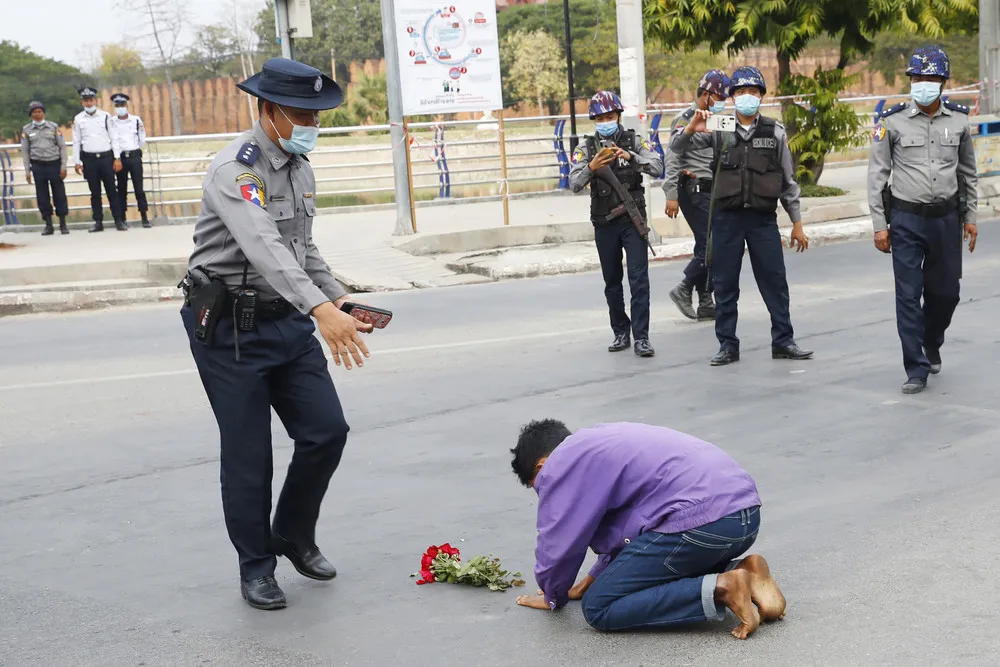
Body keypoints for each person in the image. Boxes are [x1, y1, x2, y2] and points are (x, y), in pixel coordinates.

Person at [179, 57, 379, 611]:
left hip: (285, 320)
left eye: (316, 113)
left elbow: (301, 248)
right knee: (249, 453)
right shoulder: (235, 171)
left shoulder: (300, 165)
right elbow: (263, 246)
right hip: (229, 330)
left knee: (326, 431)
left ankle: (291, 532)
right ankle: (256, 566)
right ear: (268, 110)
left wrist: (336, 296)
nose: (310, 123)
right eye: (300, 113)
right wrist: (320, 310)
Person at [510, 419, 785, 639]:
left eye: (540, 487)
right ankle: (743, 571)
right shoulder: (599, 441)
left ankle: (722, 587)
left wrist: (552, 595)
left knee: (598, 607)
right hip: (741, 517)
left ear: (542, 466)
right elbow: (625, 536)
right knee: (630, 579)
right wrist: (587, 581)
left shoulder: (561, 465)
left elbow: (558, 542)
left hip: (701, 524)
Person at [670, 66, 813, 366]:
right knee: (725, 284)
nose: (747, 96)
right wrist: (691, 127)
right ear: (732, 96)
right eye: (741, 92)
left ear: (761, 95)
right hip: (726, 217)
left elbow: (788, 182)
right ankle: (727, 345)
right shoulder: (719, 124)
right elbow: (676, 147)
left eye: (753, 91)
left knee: (775, 281)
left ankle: (783, 340)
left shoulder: (774, 131)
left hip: (762, 219)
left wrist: (797, 224)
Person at [867, 46, 978, 395]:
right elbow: (876, 176)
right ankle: (915, 366)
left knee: (947, 294)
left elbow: (968, 173)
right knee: (908, 295)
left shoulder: (959, 121)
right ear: (910, 81)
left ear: (942, 83)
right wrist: (879, 225)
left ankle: (932, 341)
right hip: (906, 219)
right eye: (918, 78)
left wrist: (971, 216)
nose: (924, 84)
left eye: (931, 78)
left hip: (946, 218)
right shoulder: (892, 121)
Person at [569, 91, 664, 358]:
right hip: (604, 222)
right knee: (612, 281)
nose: (605, 121)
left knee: (639, 280)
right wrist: (592, 166)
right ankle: (620, 330)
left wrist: (632, 156)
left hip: (632, 221)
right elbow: (574, 183)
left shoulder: (634, 140)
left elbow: (657, 166)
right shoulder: (585, 148)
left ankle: (642, 337)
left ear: (618, 116)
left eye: (609, 116)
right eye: (599, 118)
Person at [662, 70, 729, 321]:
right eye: (720, 96)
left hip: (713, 188)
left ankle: (705, 301)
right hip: (692, 188)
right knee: (711, 244)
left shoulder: (719, 121)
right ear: (706, 94)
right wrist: (671, 193)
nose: (723, 101)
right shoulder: (685, 119)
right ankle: (685, 287)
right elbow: (673, 154)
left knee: (706, 244)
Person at [71, 87, 125, 233]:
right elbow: (77, 141)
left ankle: (118, 220)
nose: (89, 103)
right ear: (82, 102)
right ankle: (98, 222)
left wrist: (117, 158)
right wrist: (77, 161)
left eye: (91, 100)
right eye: (86, 100)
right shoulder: (78, 119)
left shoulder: (106, 116)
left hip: (106, 158)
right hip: (89, 160)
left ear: (96, 100)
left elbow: (114, 138)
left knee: (112, 191)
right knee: (95, 193)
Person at [21, 100, 69, 235]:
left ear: (44, 113)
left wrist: (63, 167)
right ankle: (48, 224)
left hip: (54, 164)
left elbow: (62, 147)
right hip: (38, 166)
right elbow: (25, 151)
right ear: (31, 115)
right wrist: (27, 170)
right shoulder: (26, 130)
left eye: (39, 112)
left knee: (59, 194)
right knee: (42, 196)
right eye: (34, 112)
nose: (37, 115)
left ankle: (63, 224)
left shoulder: (53, 127)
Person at [109, 93, 150, 228]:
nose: (120, 108)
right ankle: (123, 217)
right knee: (121, 189)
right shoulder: (112, 121)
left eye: (122, 105)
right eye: (117, 105)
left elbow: (142, 137)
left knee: (139, 188)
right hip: (120, 158)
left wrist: (135, 149)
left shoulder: (136, 120)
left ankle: (144, 216)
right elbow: (113, 140)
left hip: (134, 156)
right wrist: (117, 157)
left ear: (126, 106)